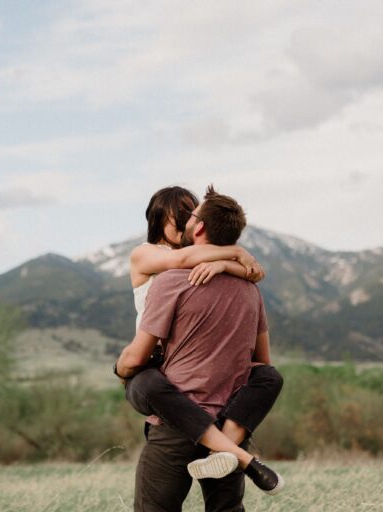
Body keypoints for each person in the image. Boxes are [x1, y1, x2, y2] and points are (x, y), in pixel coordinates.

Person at [116, 186, 283, 511]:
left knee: (267, 376)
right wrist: (235, 256)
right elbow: (182, 260)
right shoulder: (151, 255)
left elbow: (251, 274)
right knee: (149, 381)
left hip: (173, 406)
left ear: (199, 225)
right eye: (174, 215)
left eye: (188, 212)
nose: (182, 220)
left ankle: (227, 452)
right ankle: (238, 454)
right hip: (155, 366)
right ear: (156, 220)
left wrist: (226, 262)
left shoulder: (194, 271)